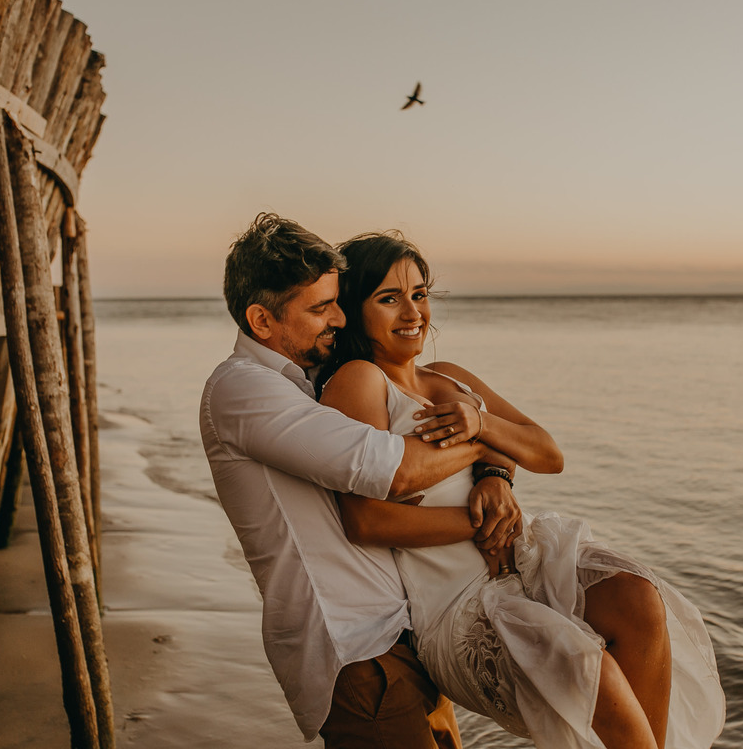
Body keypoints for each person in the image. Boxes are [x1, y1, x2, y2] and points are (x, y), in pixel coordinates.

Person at [315, 232, 727, 749]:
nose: (413, 312)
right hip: (457, 605)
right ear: (353, 308)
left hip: (526, 562)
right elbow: (366, 521)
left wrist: (491, 457)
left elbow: (547, 453)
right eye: (389, 298)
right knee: (585, 666)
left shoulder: (448, 375)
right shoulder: (359, 380)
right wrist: (480, 519)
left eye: (419, 294)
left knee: (636, 596)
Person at [199, 213, 526, 748]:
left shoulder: (310, 385)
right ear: (261, 320)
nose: (338, 316)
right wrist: (484, 431)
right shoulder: (244, 391)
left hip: (411, 631)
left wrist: (492, 465)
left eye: (338, 301)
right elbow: (392, 470)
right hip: (354, 646)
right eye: (320, 307)